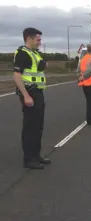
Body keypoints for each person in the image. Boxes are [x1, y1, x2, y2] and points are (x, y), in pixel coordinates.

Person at [13, 27, 51, 169]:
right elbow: (17, 77)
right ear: (29, 39)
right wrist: (26, 96)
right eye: (38, 39)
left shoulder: (34, 53)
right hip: (29, 93)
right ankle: (29, 159)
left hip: (38, 92)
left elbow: (42, 66)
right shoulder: (23, 54)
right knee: (30, 127)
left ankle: (36, 155)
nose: (40, 42)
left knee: (38, 126)